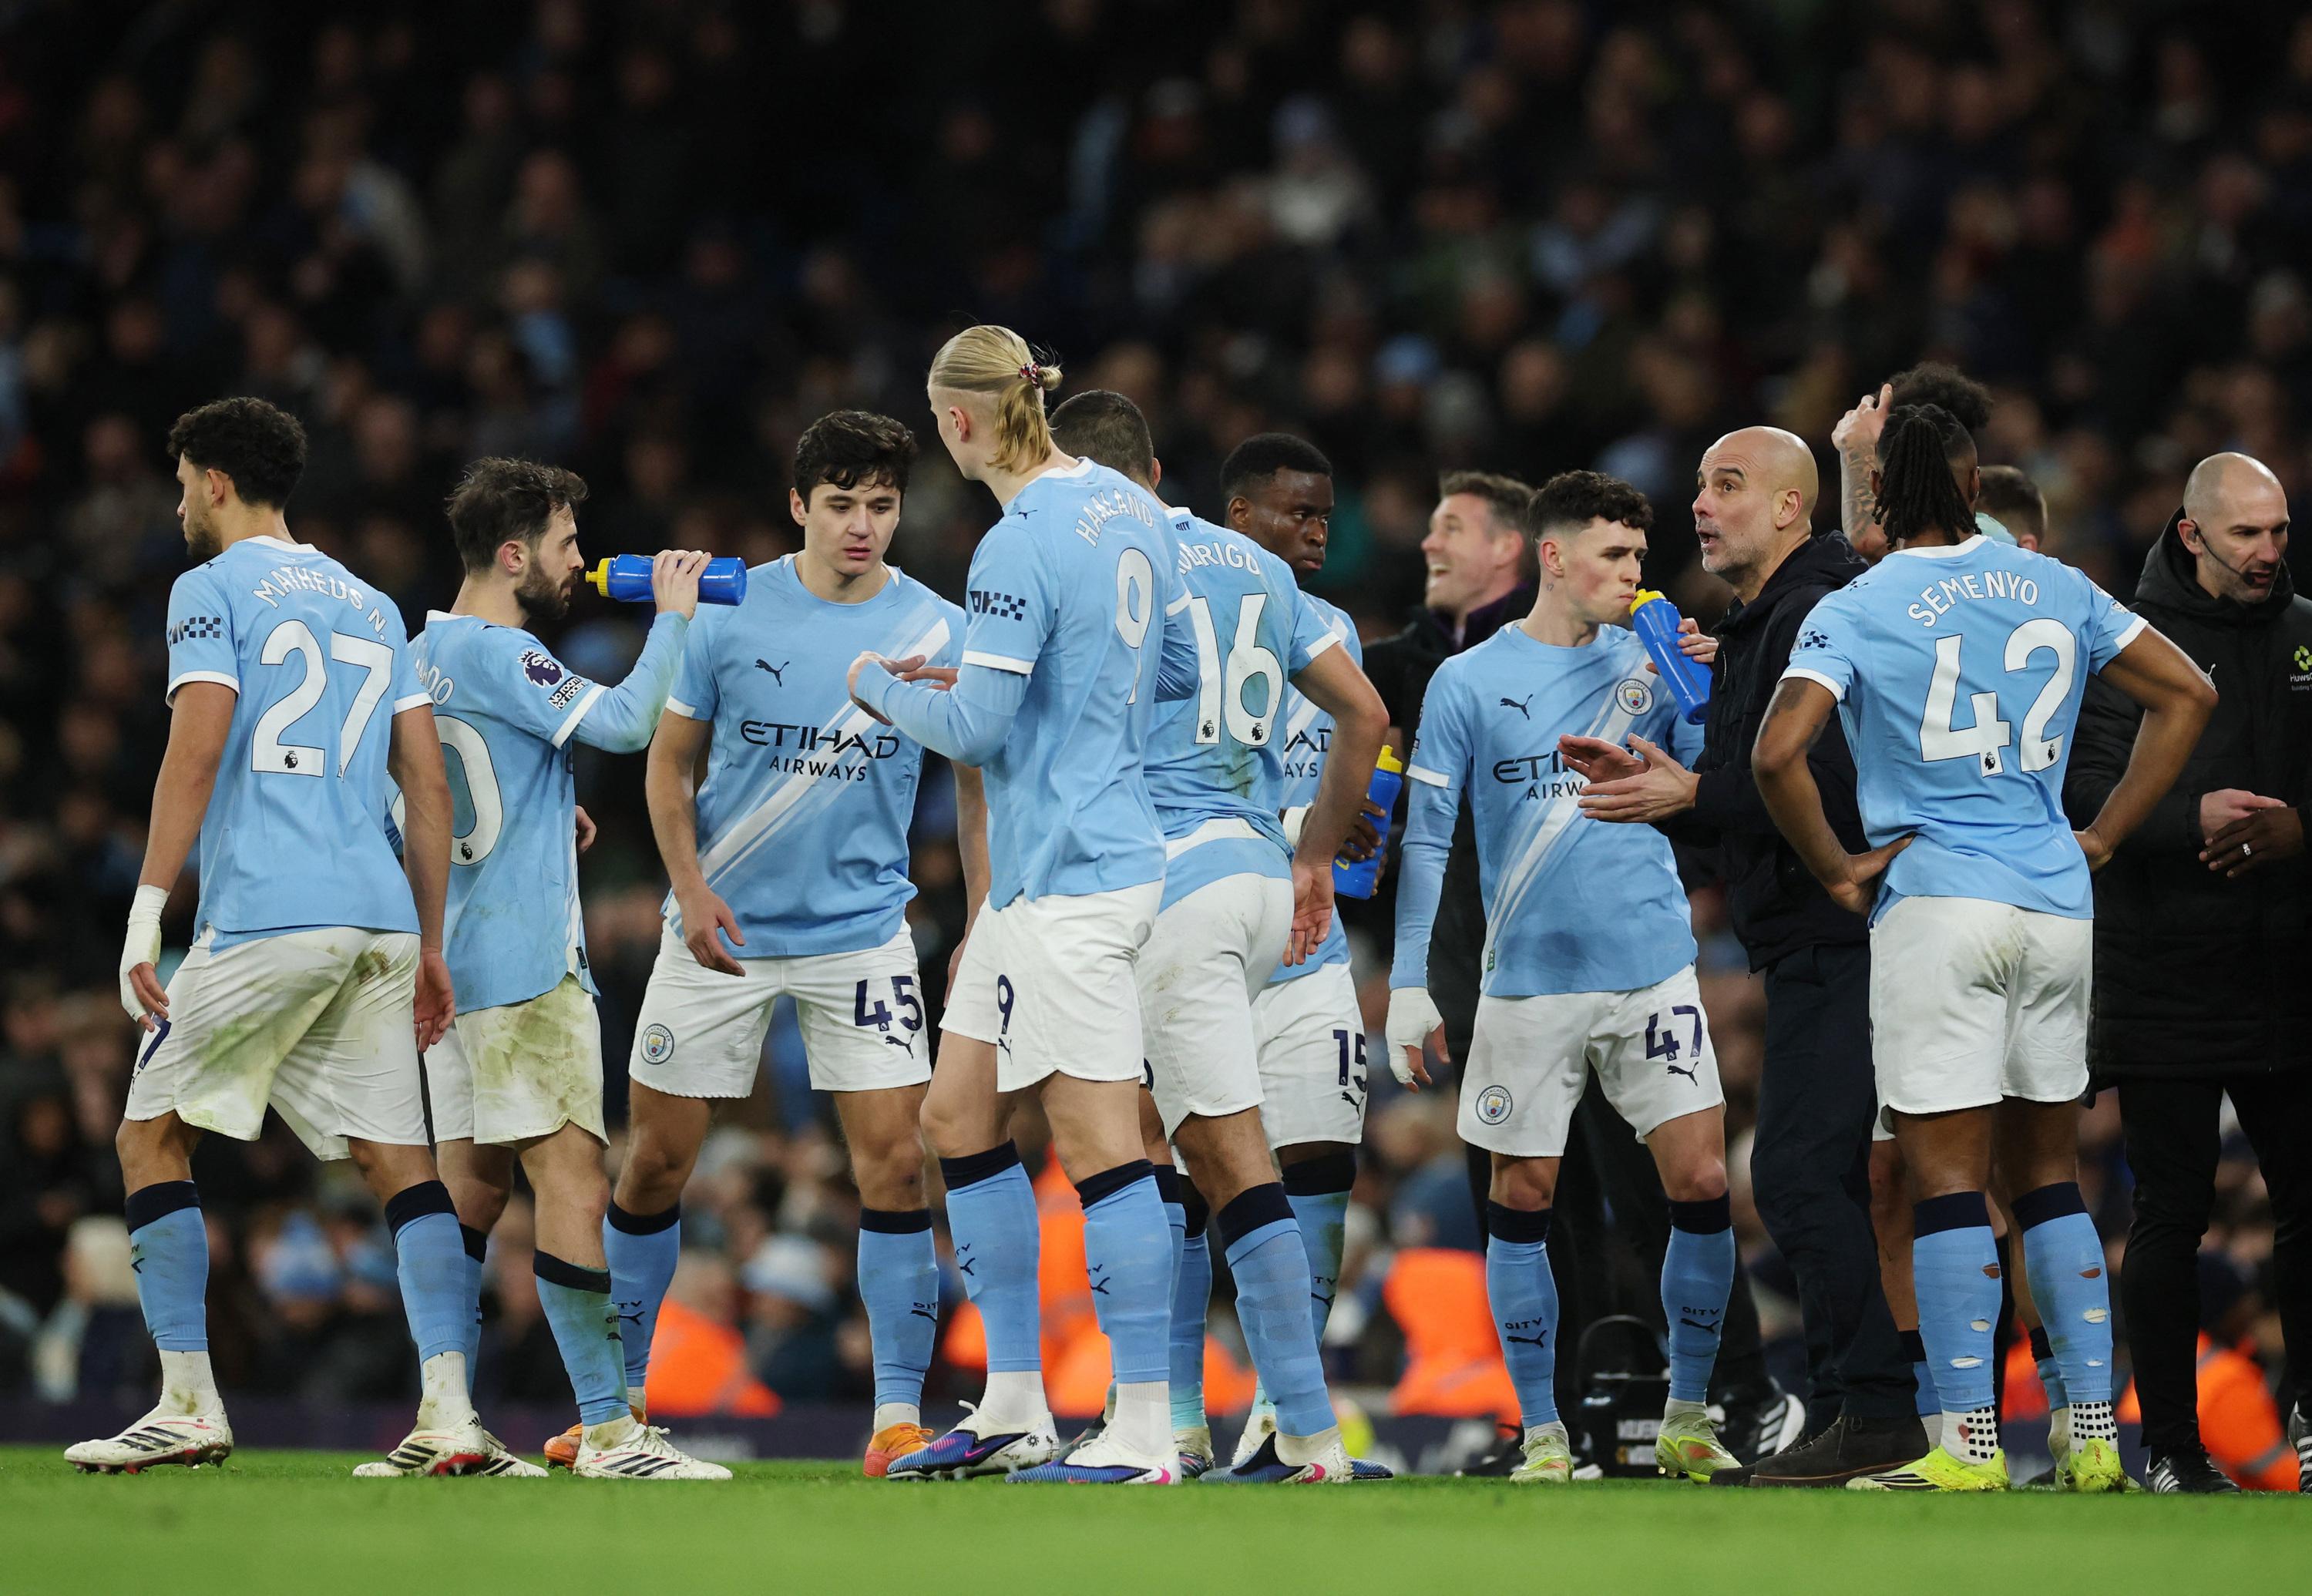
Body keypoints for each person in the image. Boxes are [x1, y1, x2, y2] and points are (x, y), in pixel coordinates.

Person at [1756, 402, 2215, 1493]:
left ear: (1879, 498)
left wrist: (1833, 868)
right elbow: (2186, 695)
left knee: (1948, 1178)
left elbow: (1780, 754)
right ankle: (2094, 1434)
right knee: (2052, 1176)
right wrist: (2100, 831)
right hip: (2057, 902)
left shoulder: (1861, 602)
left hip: (1938, 899)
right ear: (1971, 487)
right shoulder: (2057, 584)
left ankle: (1963, 1446)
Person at [77, 397, 486, 1476]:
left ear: (213, 481)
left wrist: (146, 908)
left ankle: (187, 1404)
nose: (177, 503)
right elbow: (427, 782)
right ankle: (450, 1414)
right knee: (401, 1163)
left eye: (179, 483)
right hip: (381, 919)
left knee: (149, 1136)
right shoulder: (372, 602)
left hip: (268, 909)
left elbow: (196, 750)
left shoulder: (209, 590)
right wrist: (431, 941)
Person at [596, 412, 976, 1480]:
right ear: (800, 505)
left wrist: (983, 912)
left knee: (898, 1167)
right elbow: (668, 768)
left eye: (884, 505)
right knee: (658, 1162)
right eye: (843, 503)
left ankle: (897, 1419)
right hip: (719, 928)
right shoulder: (728, 609)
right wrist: (688, 889)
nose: (864, 525)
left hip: (861, 935)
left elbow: (977, 787)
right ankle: (620, 1405)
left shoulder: (939, 631)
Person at [849, 326, 1195, 1486]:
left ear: (956, 422)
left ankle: (1144, 1423)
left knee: (1101, 1146)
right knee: (954, 1120)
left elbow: (980, 736)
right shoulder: (1127, 505)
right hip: (1068, 867)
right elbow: (1177, 674)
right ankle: (1011, 1404)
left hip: (1075, 878)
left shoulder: (1015, 542)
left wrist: (876, 687)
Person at [1560, 427, 1921, 1484]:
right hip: (1808, 935)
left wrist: (1694, 792)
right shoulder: (1763, 625)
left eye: (1729, 486)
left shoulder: (1817, 614)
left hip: (1844, 934)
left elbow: (1842, 791)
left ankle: (1879, 1410)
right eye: (1703, 486)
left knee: (1808, 1176)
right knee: (1822, 1178)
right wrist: (1658, 793)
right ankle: (1863, 1412)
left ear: (1789, 511)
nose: (1702, 507)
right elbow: (1739, 812)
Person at [1049, 395, 1388, 1483]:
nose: (1313, 529)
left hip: (1170, 886)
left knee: (1171, 1159)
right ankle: (1251, 1428)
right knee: (1209, 1160)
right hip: (1259, 881)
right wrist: (1314, 853)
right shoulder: (1265, 579)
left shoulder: (1103, 570)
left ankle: (1188, 1429)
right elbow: (1367, 719)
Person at [1386, 471, 1742, 1485]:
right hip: (1527, 984)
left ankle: (1689, 1412)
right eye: (1615, 557)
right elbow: (1427, 840)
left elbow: (1706, 788)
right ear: (1552, 556)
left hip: (1650, 967)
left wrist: (1706, 695)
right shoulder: (1466, 684)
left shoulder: (1654, 661)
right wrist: (1413, 979)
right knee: (1526, 1193)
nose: (1635, 576)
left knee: (1704, 1181)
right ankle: (1542, 1434)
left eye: (1640, 557)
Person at [410, 459, 727, 1480]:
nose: (579, 561)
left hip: (449, 966)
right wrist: (675, 614)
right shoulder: (504, 651)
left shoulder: (420, 656)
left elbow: (415, 807)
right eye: (563, 544)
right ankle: (607, 1429)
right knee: (573, 1182)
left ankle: (443, 1418)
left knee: (467, 1189)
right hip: (525, 967)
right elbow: (630, 725)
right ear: (514, 556)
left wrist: (539, 808)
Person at [2063, 451, 2312, 1493]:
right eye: (2250, 534)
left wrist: (2302, 831)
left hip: (2291, 970)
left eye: (2281, 531)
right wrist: (2186, 818)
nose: (2270, 553)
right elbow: (2078, 789)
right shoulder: (2123, 642)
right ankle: (2170, 1446)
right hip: (2162, 965)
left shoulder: (2307, 633)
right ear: (2194, 532)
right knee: (2172, 1211)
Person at [1218, 433, 1384, 1462]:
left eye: (1325, 513)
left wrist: (1343, 819)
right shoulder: (1181, 621)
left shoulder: (1333, 629)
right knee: (1193, 1173)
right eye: (1297, 512)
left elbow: (1328, 765)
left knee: (1323, 1154)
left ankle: (1285, 1413)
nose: (1318, 529)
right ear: (1240, 518)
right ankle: (1168, 1411)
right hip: (1200, 931)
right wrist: (1297, 832)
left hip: (1310, 944)